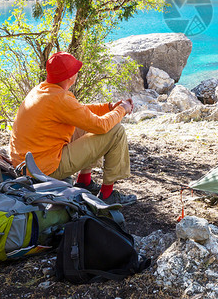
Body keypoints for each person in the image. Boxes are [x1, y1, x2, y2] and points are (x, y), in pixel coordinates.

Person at [9, 51, 137, 205]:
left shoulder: (42, 90)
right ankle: (107, 195)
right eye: (76, 70)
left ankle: (84, 181)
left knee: (85, 124)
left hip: (26, 165)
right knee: (116, 131)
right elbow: (101, 126)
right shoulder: (60, 98)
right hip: (43, 170)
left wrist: (109, 107)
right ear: (70, 77)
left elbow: (79, 111)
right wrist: (122, 109)